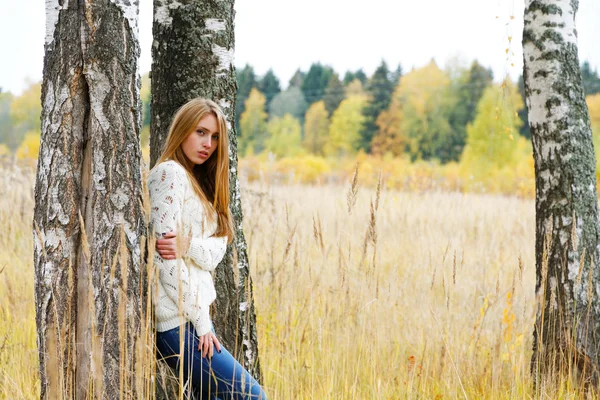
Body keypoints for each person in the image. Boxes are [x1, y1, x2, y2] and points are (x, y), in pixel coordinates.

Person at [148, 98, 267, 400]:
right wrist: (202, 323)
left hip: (194, 319)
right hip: (179, 323)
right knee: (252, 396)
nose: (208, 144)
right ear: (183, 130)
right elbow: (166, 263)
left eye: (214, 137)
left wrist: (187, 244)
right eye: (200, 132)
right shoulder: (169, 174)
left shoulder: (198, 183)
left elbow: (217, 251)